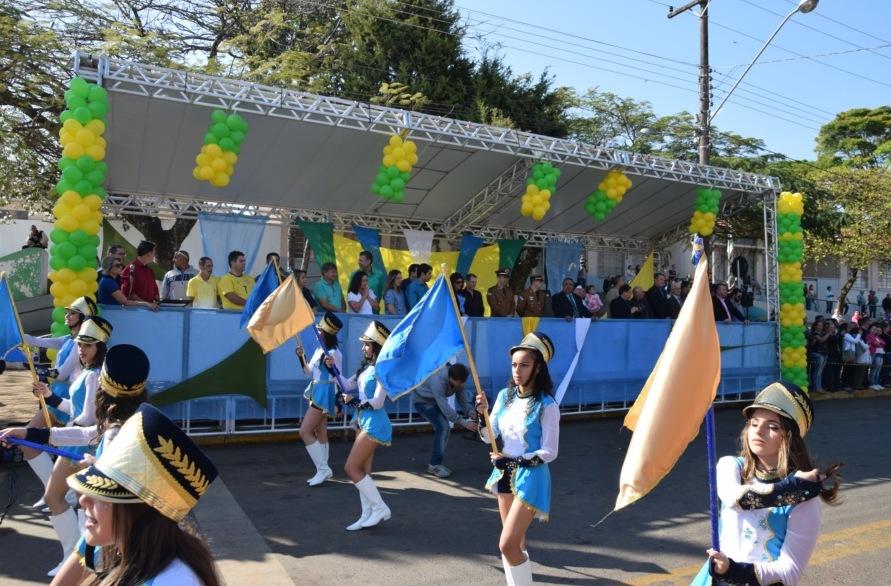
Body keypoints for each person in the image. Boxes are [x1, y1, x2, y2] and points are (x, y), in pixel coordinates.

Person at [1, 344, 150, 584]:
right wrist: (29, 433)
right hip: (115, 526)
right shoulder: (134, 420)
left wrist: (94, 465)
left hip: (112, 528)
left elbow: (119, 483)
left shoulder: (115, 432)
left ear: (103, 388)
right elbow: (88, 433)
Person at [693, 381, 841, 586]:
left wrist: (733, 571)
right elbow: (733, 498)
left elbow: (790, 571)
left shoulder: (807, 501)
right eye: (753, 423)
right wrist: (792, 489)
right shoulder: (731, 466)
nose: (758, 431)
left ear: (789, 437)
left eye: (772, 426)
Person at [65, 403, 220, 585]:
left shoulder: (172, 581)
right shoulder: (134, 549)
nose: (83, 500)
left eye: (104, 495)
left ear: (141, 510)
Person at [29, 316, 112, 575]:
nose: (82, 350)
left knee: (61, 499)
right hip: (76, 443)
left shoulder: (94, 375)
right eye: (79, 345)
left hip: (80, 447)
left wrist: (58, 432)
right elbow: (74, 409)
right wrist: (49, 395)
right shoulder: (88, 372)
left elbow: (87, 419)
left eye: (88, 346)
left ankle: (77, 560)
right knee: (77, 502)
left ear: (99, 347)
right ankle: (82, 558)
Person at [475, 332, 559, 585]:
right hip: (503, 474)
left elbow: (549, 452)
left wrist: (513, 462)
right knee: (516, 545)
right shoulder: (505, 396)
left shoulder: (547, 404)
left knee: (506, 545)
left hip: (530, 477)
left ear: (537, 368)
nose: (517, 371)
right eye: (514, 365)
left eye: (524, 365)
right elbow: (489, 436)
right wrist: (482, 415)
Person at [22, 297, 97, 508]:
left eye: (72, 313)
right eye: (66, 312)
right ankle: (53, 492)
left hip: (67, 398)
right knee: (36, 441)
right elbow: (41, 342)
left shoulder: (77, 345)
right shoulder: (66, 339)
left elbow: (62, 374)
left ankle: (59, 494)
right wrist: (20, 335)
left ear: (82, 318)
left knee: (60, 450)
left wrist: (43, 372)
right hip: (56, 395)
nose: (67, 316)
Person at [339, 321, 393, 531]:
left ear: (376, 347)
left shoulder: (382, 369)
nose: (363, 348)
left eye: (367, 344)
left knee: (351, 468)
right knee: (363, 471)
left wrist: (352, 402)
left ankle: (380, 508)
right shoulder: (365, 368)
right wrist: (331, 367)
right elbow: (345, 384)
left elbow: (378, 401)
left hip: (375, 423)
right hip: (363, 421)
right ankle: (366, 514)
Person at [295, 313, 344, 486]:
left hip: (325, 391)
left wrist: (338, 401)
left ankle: (323, 469)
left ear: (326, 334)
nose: (318, 333)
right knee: (320, 431)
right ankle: (323, 469)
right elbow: (309, 371)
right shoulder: (318, 350)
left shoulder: (334, 353)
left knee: (304, 432)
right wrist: (301, 357)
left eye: (321, 331)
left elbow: (337, 377)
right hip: (317, 389)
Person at [413, 363, 477, 478]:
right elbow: (444, 407)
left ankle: (436, 463)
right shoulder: (438, 380)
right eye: (460, 383)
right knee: (443, 427)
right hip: (422, 401)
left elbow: (463, 400)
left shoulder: (460, 378)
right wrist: (464, 422)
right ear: (451, 379)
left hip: (435, 401)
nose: (462, 385)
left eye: (463, 382)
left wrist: (470, 412)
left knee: (445, 428)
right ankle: (434, 465)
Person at [120, 240, 160, 305]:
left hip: (150, 311)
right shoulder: (130, 269)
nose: (154, 256)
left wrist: (158, 300)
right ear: (149, 254)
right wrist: (146, 304)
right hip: (135, 312)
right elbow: (129, 294)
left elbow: (155, 292)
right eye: (154, 253)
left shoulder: (150, 271)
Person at [864, 323, 886, 390]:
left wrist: (879, 344)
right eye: (873, 329)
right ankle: (872, 383)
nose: (874, 330)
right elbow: (875, 344)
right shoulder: (869, 336)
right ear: (870, 329)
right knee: (874, 369)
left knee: (878, 370)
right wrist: (879, 344)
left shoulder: (877, 336)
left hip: (880, 354)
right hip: (873, 353)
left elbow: (884, 343)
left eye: (875, 329)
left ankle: (876, 383)